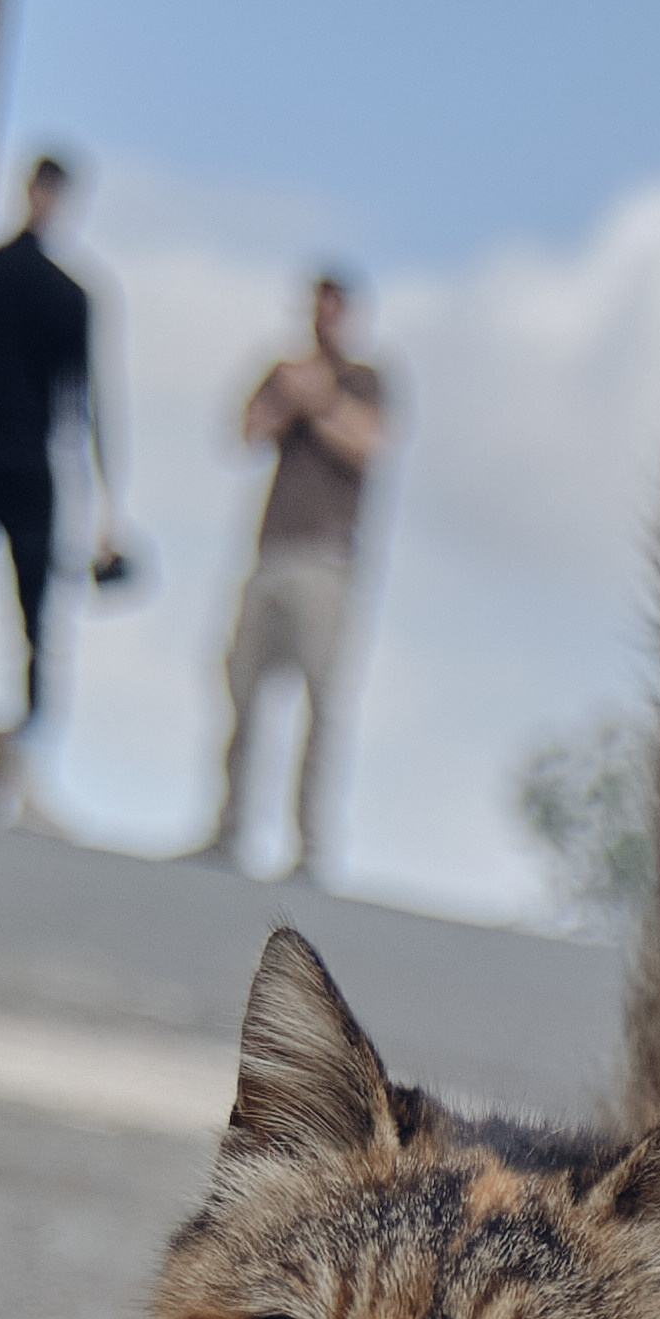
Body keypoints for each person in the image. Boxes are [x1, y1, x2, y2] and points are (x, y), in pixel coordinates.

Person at [0, 153, 119, 807]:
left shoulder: (70, 295)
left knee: (37, 623)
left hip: (25, 469)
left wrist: (109, 509)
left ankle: (23, 762)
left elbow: (90, 403)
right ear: (31, 190)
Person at [209, 271, 397, 876]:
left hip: (328, 560)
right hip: (272, 551)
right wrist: (286, 397)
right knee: (242, 689)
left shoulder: (364, 380)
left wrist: (318, 399)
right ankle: (229, 829)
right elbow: (245, 433)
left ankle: (310, 849)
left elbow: (368, 445)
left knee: (323, 706)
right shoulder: (285, 371)